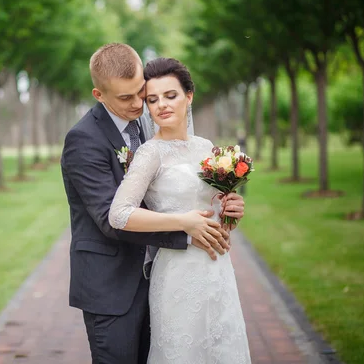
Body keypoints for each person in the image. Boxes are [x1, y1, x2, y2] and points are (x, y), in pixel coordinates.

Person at [60, 43, 245, 363]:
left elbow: (185, 199)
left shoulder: (146, 124)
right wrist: (185, 230)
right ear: (99, 95)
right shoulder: (84, 140)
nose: (139, 105)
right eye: (126, 98)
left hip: (160, 275)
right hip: (111, 284)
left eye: (140, 93)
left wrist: (227, 211)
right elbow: (110, 218)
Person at [108, 57, 251, 363]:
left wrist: (232, 210)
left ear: (189, 96)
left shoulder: (206, 147)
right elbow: (118, 213)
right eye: (153, 99)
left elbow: (211, 212)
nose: (161, 105)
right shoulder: (149, 154)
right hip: (177, 274)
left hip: (218, 270)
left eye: (170, 96)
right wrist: (182, 222)